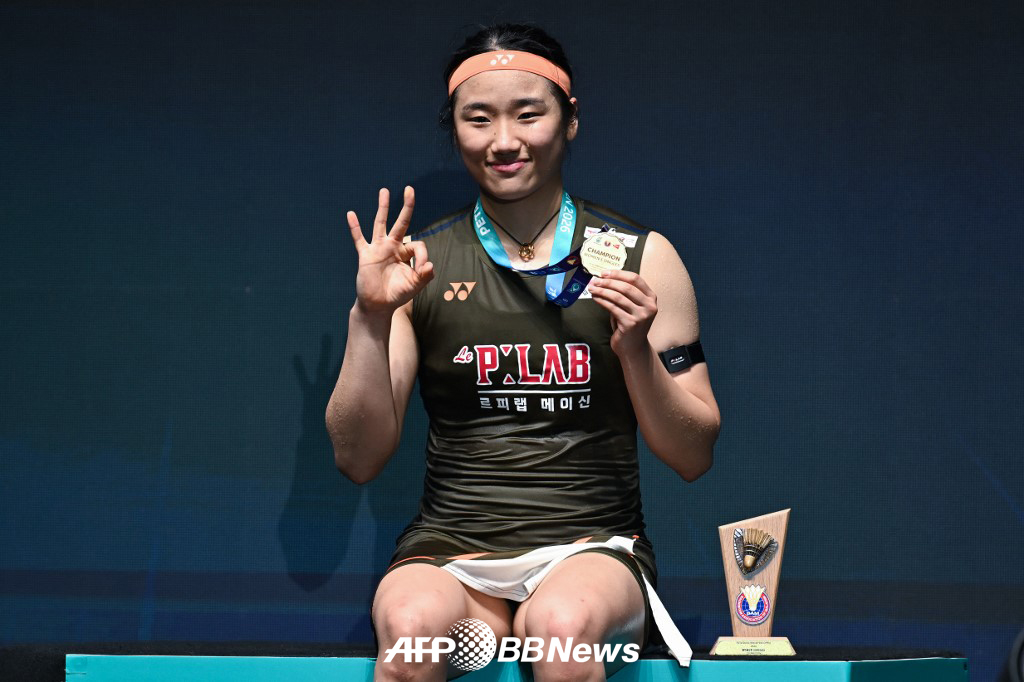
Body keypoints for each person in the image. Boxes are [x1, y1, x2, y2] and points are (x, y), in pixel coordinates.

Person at [326, 23, 720, 682]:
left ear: (570, 120)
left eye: (528, 115)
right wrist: (369, 318)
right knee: (411, 639)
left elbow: (694, 454)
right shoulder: (419, 267)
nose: (503, 140)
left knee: (561, 636)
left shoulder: (643, 258)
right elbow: (357, 459)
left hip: (592, 548)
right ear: (454, 129)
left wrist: (635, 354)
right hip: (453, 555)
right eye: (478, 119)